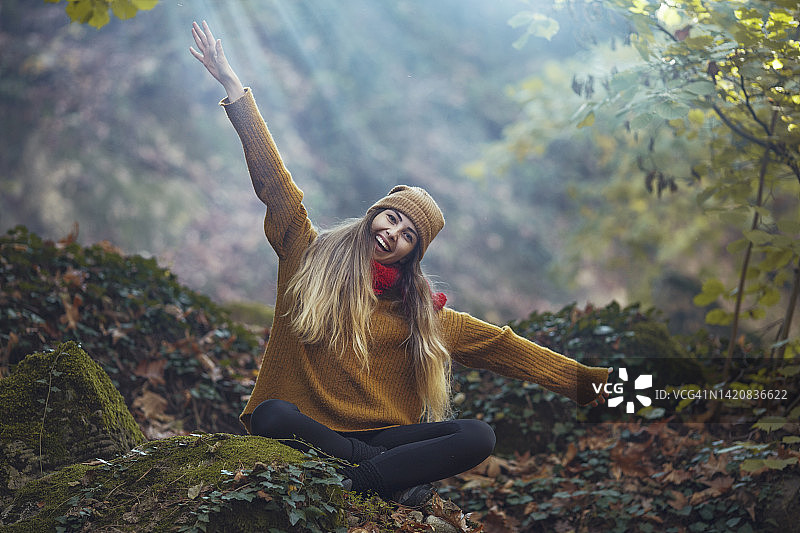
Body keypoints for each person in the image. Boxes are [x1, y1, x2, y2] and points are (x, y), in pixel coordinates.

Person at [190, 20, 611, 507]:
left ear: (413, 254)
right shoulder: (308, 255)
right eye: (390, 218)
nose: (392, 233)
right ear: (374, 215)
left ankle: (358, 478)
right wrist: (233, 87)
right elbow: (276, 186)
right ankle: (384, 479)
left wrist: (595, 384)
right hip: (306, 427)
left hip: (385, 439)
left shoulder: (420, 312)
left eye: (408, 235)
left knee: (478, 436)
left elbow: (502, 347)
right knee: (271, 415)